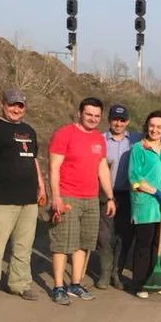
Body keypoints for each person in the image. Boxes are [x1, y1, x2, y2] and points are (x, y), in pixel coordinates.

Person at [0, 88, 46, 308]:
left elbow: (33, 160)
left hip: (28, 200)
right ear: (2, 104)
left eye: (20, 105)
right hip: (1, 200)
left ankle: (19, 284)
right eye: (12, 104)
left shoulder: (29, 131)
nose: (16, 109)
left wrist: (41, 186)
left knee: (23, 247)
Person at [47, 97, 116, 305]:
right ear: (79, 113)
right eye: (89, 114)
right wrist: (56, 196)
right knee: (62, 243)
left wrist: (110, 197)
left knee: (84, 243)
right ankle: (58, 286)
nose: (93, 119)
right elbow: (54, 167)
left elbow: (102, 168)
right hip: (68, 195)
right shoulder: (64, 134)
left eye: (97, 116)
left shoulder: (98, 139)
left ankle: (75, 284)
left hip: (91, 198)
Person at [128, 110, 161, 299]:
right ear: (147, 126)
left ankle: (155, 283)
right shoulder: (138, 148)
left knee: (158, 245)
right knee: (144, 245)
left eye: (159, 127)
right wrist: (156, 192)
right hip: (145, 205)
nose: (155, 130)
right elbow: (134, 178)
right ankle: (139, 284)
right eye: (152, 126)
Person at [95, 104, 139, 290]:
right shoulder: (100, 140)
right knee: (104, 236)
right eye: (115, 119)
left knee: (124, 236)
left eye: (122, 120)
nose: (118, 123)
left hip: (128, 195)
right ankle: (105, 273)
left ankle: (117, 272)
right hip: (106, 194)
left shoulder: (136, 139)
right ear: (109, 120)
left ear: (127, 121)